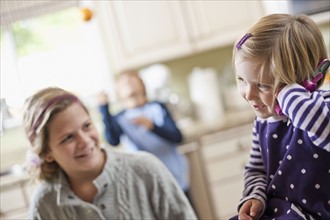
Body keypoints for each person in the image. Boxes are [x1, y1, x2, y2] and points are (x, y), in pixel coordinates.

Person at [23, 87, 197, 220]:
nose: (85, 141)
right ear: (47, 153)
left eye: (86, 126)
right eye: (68, 138)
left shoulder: (145, 169)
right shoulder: (45, 204)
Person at [231, 14, 330, 220]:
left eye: (262, 85)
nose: (248, 94)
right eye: (242, 79)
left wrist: (290, 94)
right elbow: (256, 170)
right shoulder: (263, 120)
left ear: (302, 83)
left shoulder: (322, 107)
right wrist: (255, 196)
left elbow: (320, 124)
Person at [97, 70, 194, 203]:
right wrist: (104, 108)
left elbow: (177, 137)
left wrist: (152, 126)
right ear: (118, 93)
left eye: (131, 80)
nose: (128, 84)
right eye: (123, 83)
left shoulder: (157, 107)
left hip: (173, 174)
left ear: (142, 86)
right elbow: (112, 140)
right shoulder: (120, 118)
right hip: (145, 182)